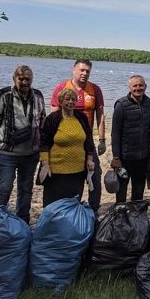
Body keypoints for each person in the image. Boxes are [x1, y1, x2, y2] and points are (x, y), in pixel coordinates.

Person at [0, 65, 46, 224]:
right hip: (7, 154)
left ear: (32, 79)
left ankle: (22, 224)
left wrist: (45, 152)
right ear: (14, 79)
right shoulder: (4, 95)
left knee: (26, 191)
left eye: (28, 79)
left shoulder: (38, 96)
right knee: (3, 189)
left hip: (31, 154)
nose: (24, 82)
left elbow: (43, 124)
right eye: (21, 79)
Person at [50, 59, 105, 207]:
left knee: (95, 176)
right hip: (65, 141)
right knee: (71, 177)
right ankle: (68, 207)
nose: (84, 73)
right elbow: (53, 119)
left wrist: (102, 140)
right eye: (81, 70)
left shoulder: (95, 90)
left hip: (86, 141)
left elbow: (100, 116)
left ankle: (93, 209)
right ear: (74, 70)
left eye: (87, 71)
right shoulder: (62, 88)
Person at [37, 88, 97, 208]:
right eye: (67, 99)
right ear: (60, 101)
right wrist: (45, 164)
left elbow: (89, 141)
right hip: (56, 172)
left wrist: (90, 159)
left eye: (73, 99)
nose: (71, 102)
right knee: (53, 205)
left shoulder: (81, 118)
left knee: (73, 204)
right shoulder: (52, 119)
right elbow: (44, 143)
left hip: (78, 171)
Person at [110, 75, 150, 203]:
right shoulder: (121, 104)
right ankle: (120, 215)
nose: (138, 88)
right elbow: (115, 132)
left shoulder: (148, 102)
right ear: (129, 87)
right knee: (121, 189)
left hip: (143, 156)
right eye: (135, 86)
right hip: (125, 156)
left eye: (141, 85)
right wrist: (116, 157)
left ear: (145, 87)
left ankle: (136, 217)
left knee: (139, 190)